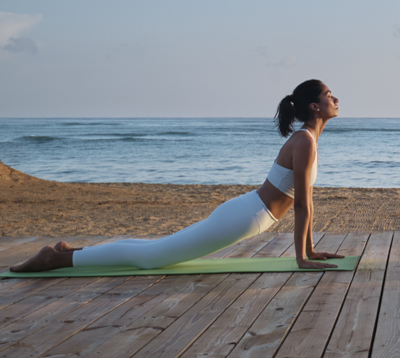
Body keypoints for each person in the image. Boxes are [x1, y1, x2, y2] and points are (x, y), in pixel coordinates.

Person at [9, 80, 345, 273]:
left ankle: (70, 250)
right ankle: (56, 259)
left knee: (156, 249)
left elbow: (305, 204)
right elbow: (302, 204)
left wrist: (310, 251)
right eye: (329, 95)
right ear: (315, 106)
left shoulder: (307, 140)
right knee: (152, 259)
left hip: (250, 213)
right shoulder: (304, 141)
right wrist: (302, 257)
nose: (335, 99)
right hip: (248, 216)